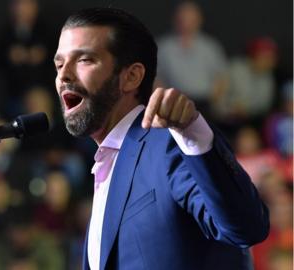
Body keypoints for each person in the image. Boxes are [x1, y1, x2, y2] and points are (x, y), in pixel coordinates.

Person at [52, 8, 269, 270]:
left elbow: (246, 228)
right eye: (60, 64)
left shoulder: (169, 146)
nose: (64, 75)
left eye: (84, 60)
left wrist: (195, 135)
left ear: (131, 76)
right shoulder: (107, 165)